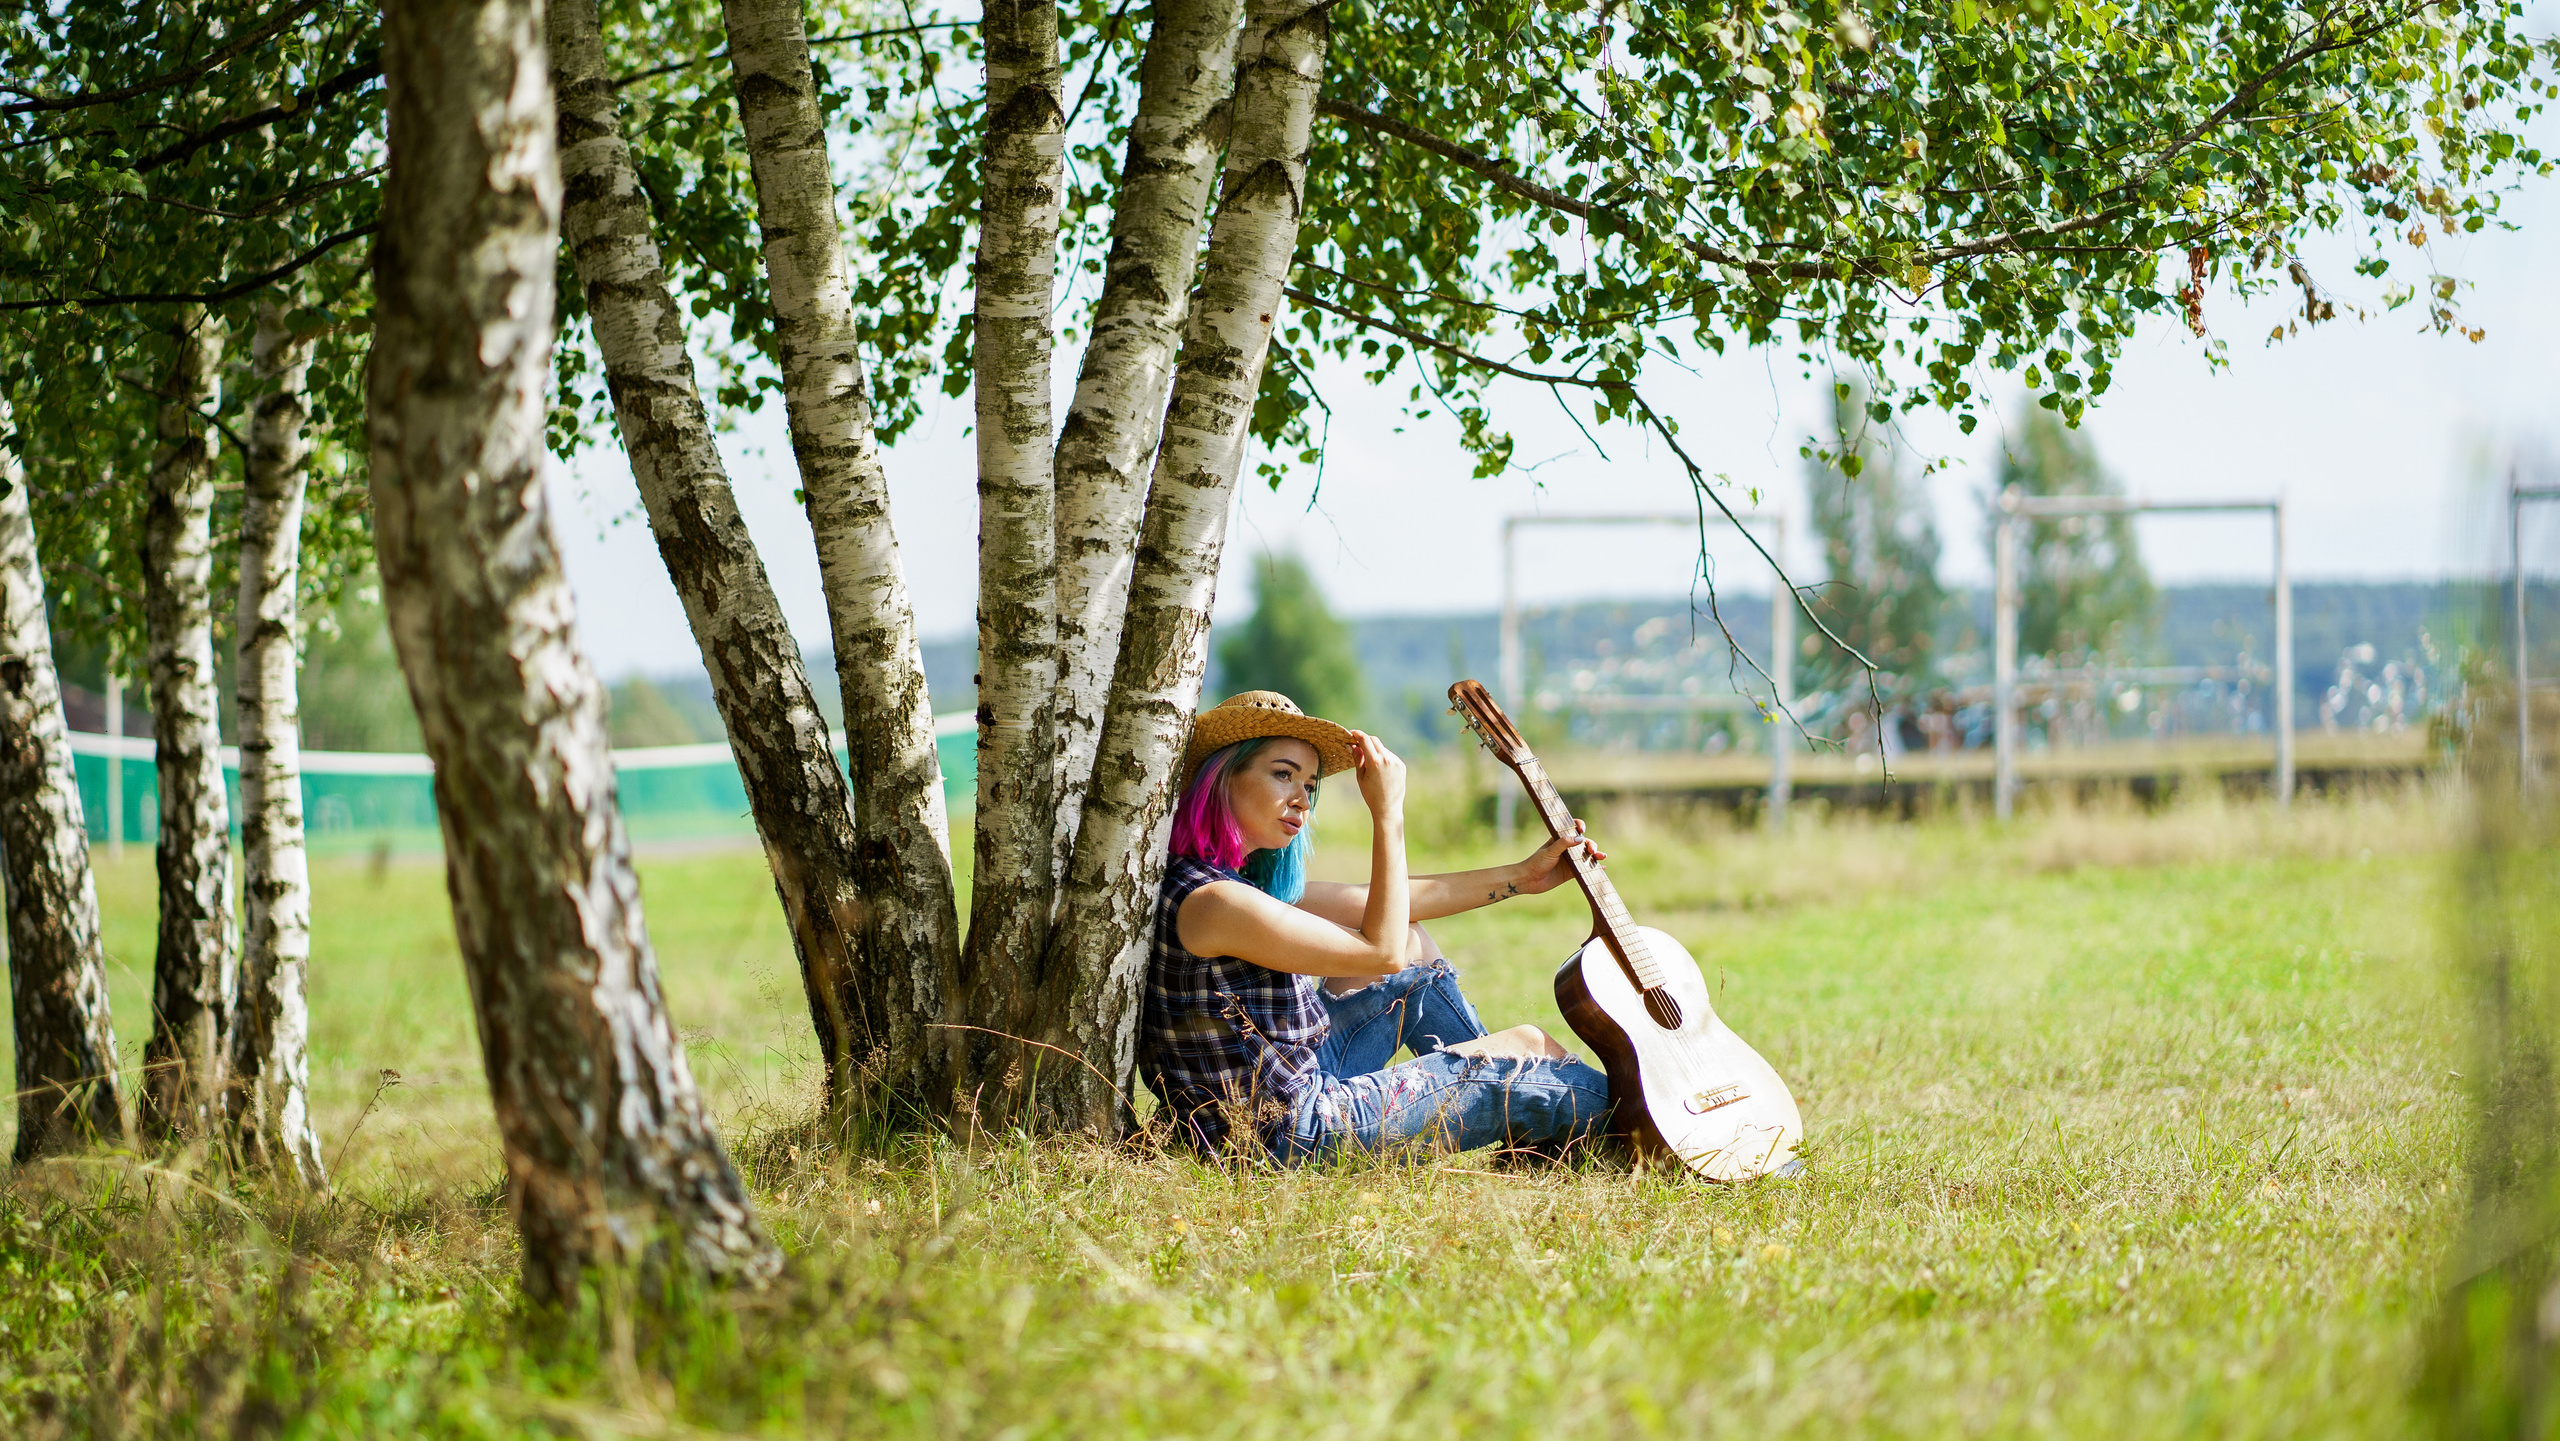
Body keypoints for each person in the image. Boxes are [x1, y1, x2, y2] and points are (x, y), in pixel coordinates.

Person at [1138, 690, 1617, 1163]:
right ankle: (1643, 1126)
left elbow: (1386, 910)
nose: (1301, 799)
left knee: (1410, 940)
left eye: (1309, 784)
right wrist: (1387, 813)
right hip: (1285, 1135)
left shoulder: (1220, 884)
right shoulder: (1216, 902)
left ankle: (1512, 1102)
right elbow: (1379, 952)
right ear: (1222, 777)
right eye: (1283, 774)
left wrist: (1523, 877)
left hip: (1287, 1099)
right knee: (1526, 1046)